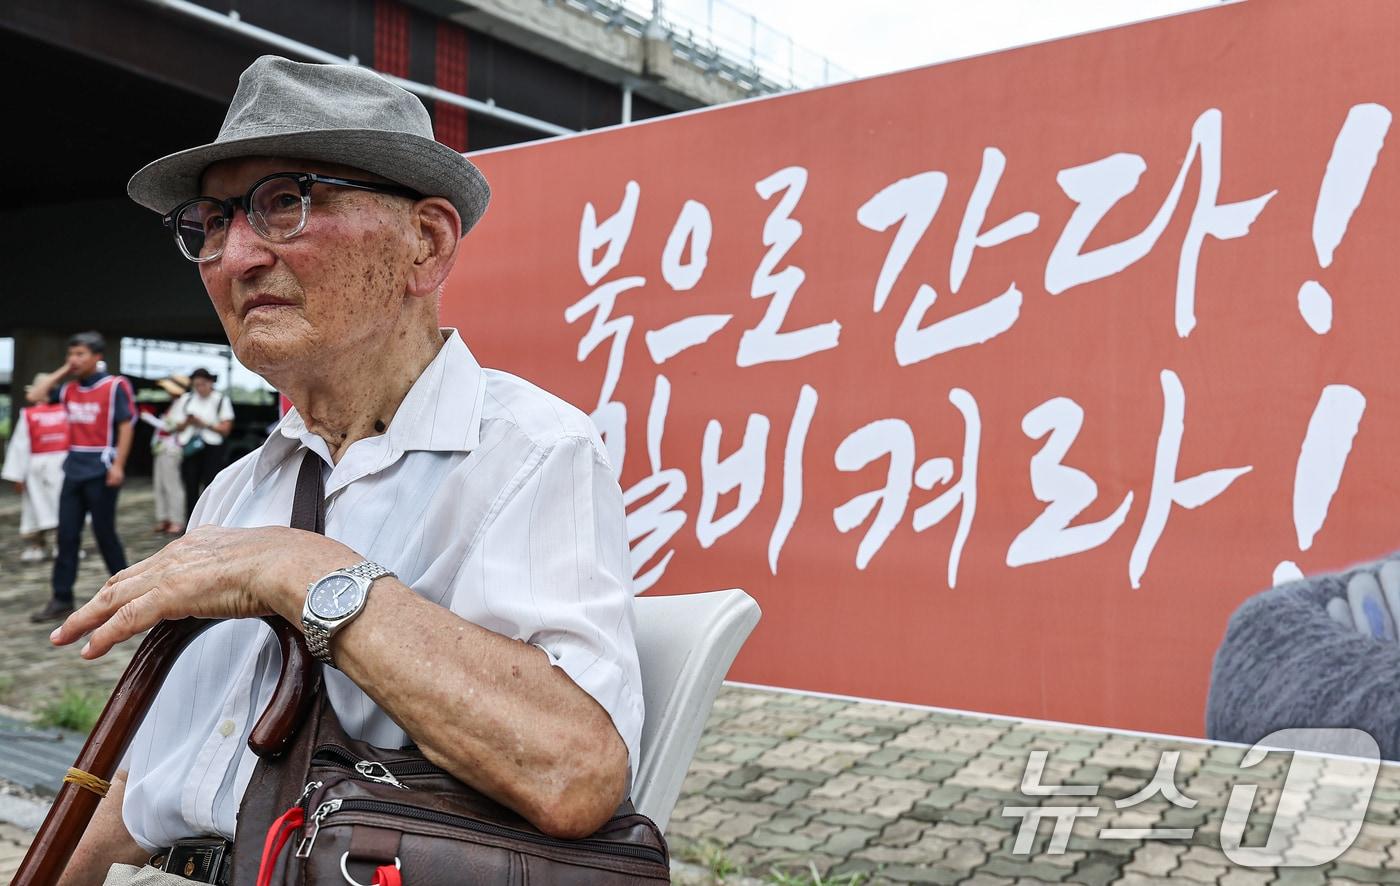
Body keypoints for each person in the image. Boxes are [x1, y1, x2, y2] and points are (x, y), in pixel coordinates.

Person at [53, 56, 643, 884]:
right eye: (213, 222)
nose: (236, 256)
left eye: (287, 201)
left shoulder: (529, 451)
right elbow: (153, 781)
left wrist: (304, 569)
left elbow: (574, 773)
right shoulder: (239, 488)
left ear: (426, 243)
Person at [26, 331, 135, 624]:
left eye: (80, 355)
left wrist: (118, 465)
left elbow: (126, 426)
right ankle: (62, 599)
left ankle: (126, 594)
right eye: (70, 354)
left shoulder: (115, 386)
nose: (74, 360)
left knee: (104, 534)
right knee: (67, 535)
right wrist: (64, 371)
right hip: (73, 470)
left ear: (98, 357)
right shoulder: (68, 388)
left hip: (101, 468)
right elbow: (36, 395)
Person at [2, 375, 70, 562]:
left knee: (59, 508)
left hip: (59, 468)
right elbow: (21, 445)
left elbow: (19, 445)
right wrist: (19, 476)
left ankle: (56, 544)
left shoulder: (64, 411)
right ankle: (39, 544)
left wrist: (18, 475)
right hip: (42, 470)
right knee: (38, 508)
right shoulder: (32, 414)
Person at [166, 367, 233, 527]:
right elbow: (175, 426)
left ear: (210, 383)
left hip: (212, 446)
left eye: (203, 384)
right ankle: (191, 524)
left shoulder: (220, 400)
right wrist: (189, 421)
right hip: (191, 446)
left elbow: (226, 429)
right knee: (190, 485)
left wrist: (205, 423)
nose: (200, 388)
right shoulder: (186, 399)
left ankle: (212, 524)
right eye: (196, 385)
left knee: (212, 486)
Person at [138, 377, 188, 535]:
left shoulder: (184, 403)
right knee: (160, 484)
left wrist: (149, 419)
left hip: (171, 449)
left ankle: (176, 520)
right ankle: (164, 518)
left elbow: (171, 427)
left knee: (172, 485)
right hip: (161, 448)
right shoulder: (174, 404)